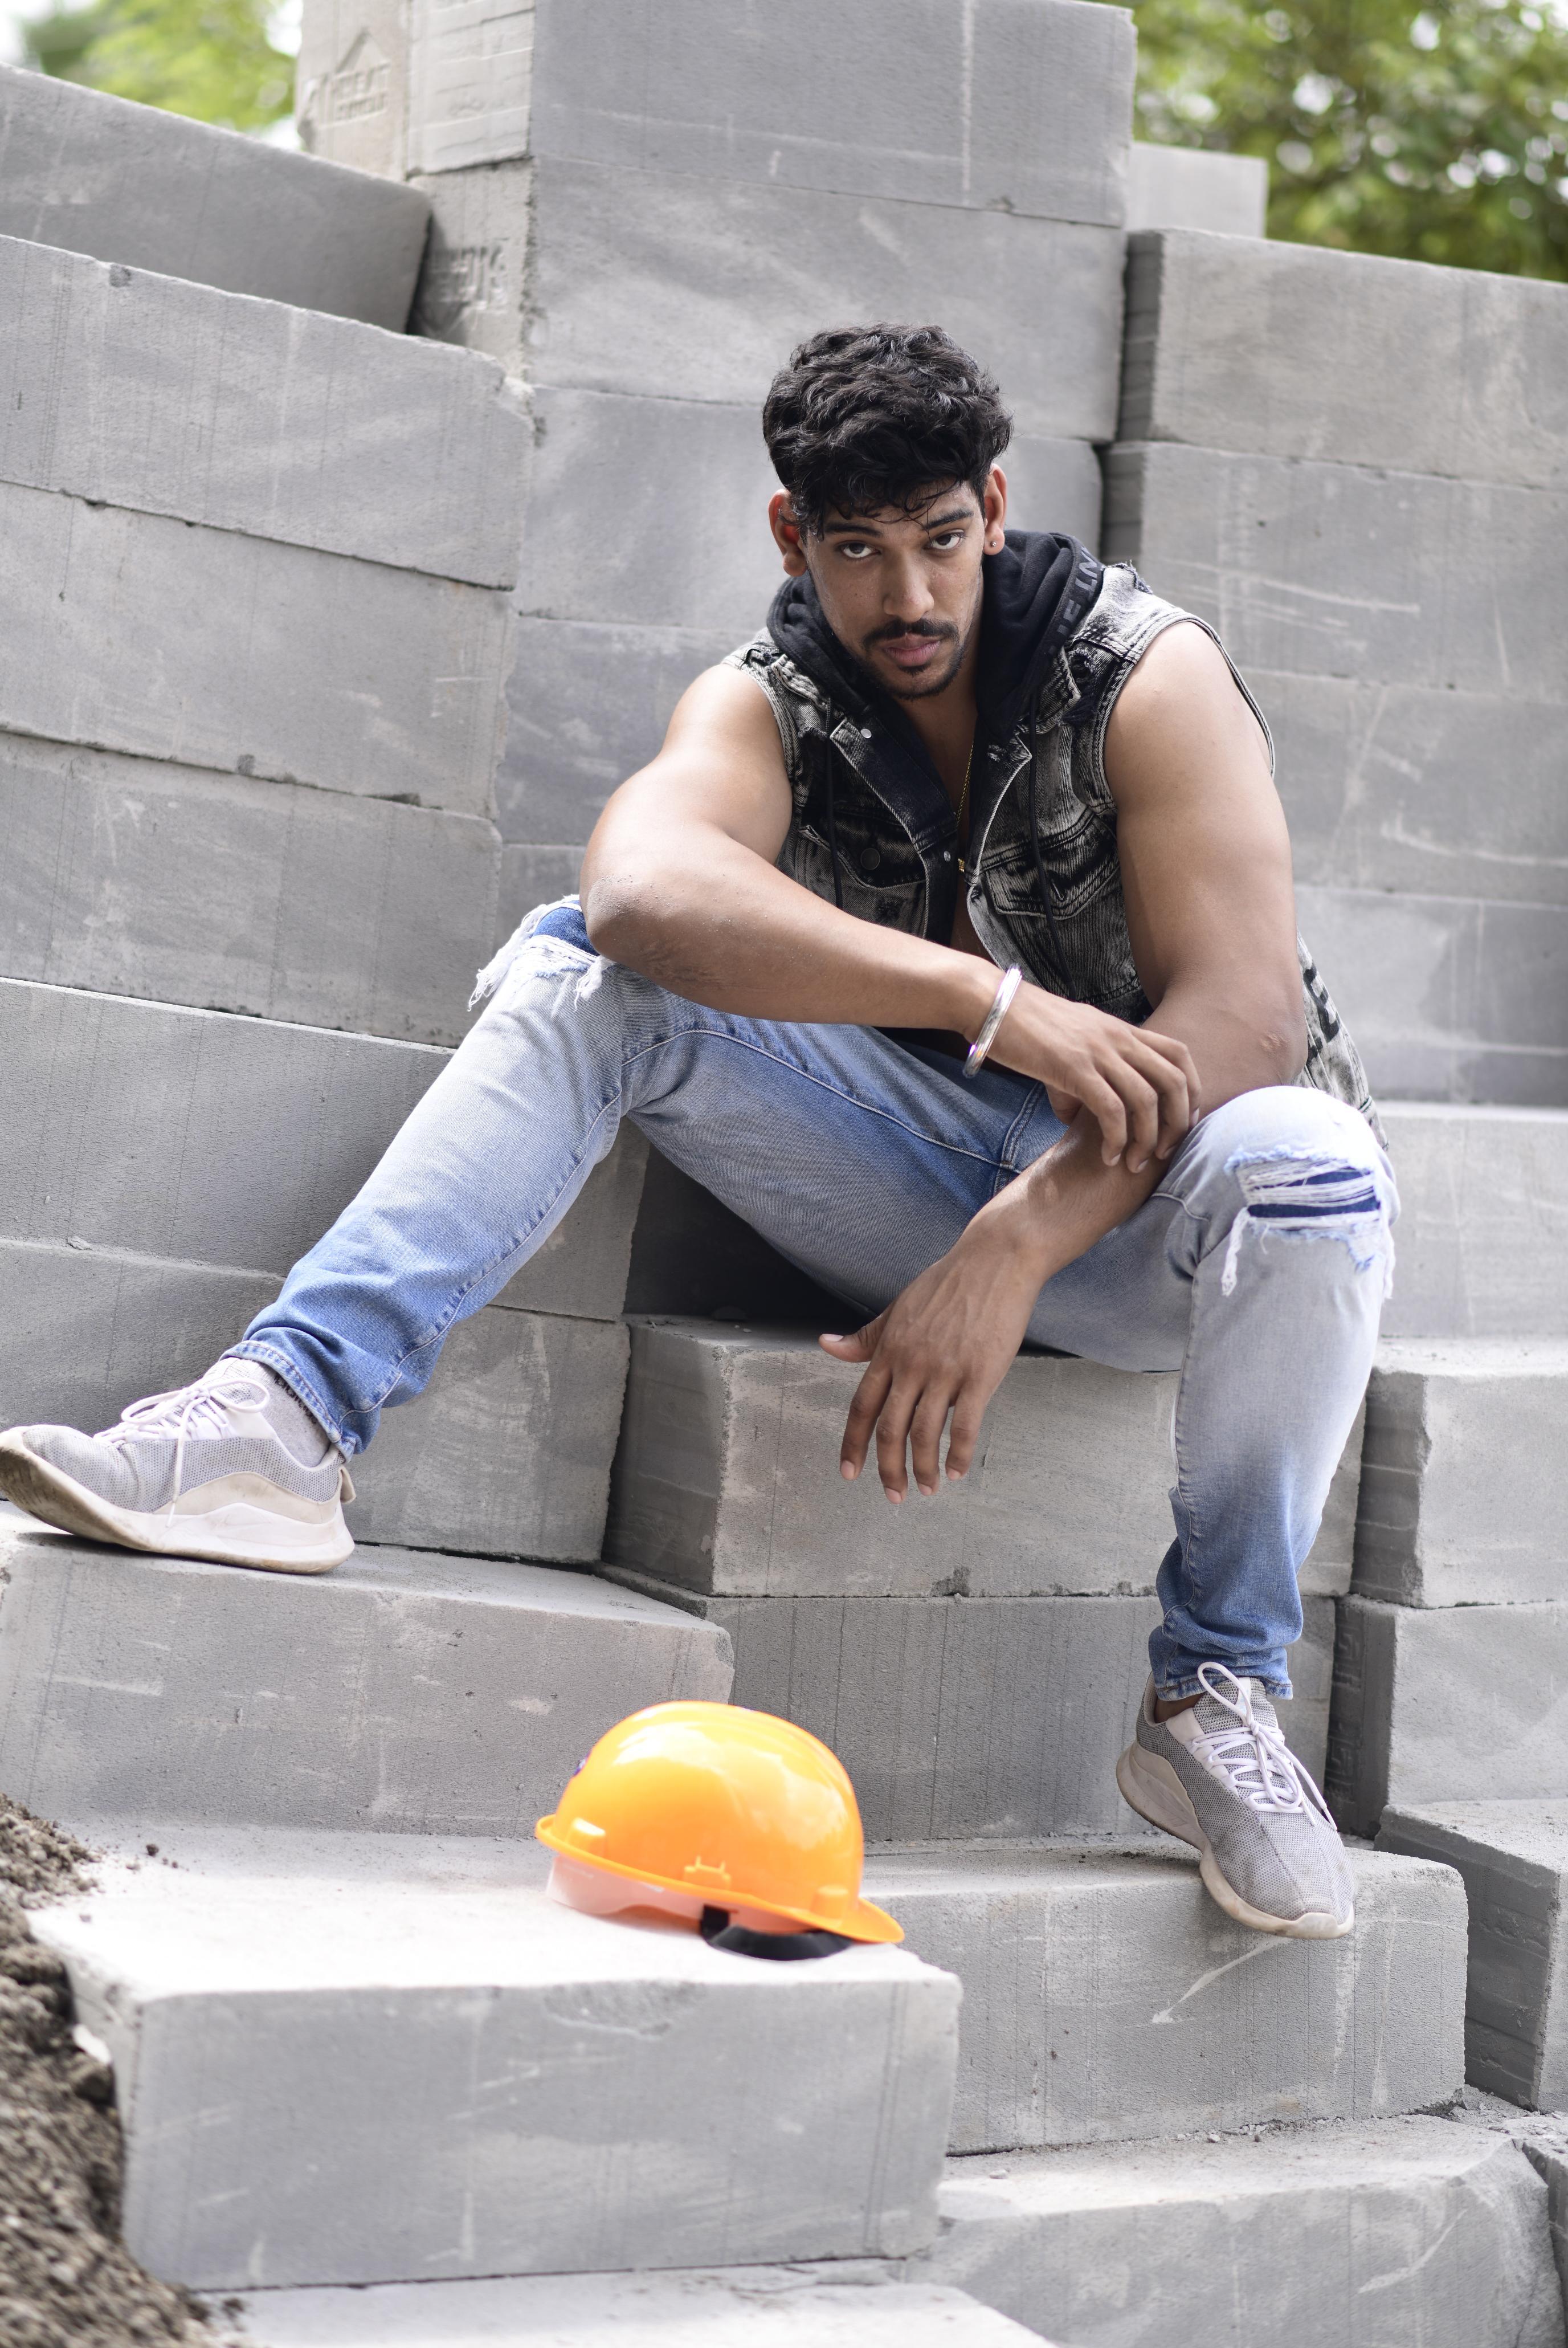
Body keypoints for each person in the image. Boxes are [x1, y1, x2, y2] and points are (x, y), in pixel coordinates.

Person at [0, 324, 1395, 1942]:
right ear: (793, 536)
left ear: (997, 511)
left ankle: (1212, 1691)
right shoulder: (769, 699)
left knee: (1315, 1157)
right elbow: (643, 893)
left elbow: (1245, 1030)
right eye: (859, 551)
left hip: (1165, 1226)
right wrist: (985, 1003)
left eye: (941, 540)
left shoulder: (1142, 674)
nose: (909, 597)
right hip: (916, 1163)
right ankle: (285, 1419)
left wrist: (1015, 1242)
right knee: (584, 967)